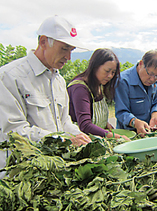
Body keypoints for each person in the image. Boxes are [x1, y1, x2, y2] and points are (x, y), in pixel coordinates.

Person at [0, 16, 92, 177]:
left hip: (50, 172)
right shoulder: (10, 77)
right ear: (43, 42)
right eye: (64, 49)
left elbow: (64, 122)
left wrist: (77, 135)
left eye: (71, 51)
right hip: (21, 175)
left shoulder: (59, 81)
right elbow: (14, 131)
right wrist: (64, 140)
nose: (68, 57)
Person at [67, 48, 129, 140]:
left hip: (95, 140)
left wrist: (105, 124)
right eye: (107, 71)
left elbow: (93, 116)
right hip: (81, 142)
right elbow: (85, 125)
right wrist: (114, 136)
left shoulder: (98, 85)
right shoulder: (80, 89)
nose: (110, 76)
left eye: (113, 72)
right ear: (95, 67)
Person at [114, 49, 157, 136]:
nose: (152, 79)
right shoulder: (123, 81)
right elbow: (121, 112)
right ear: (141, 64)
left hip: (149, 131)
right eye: (150, 74)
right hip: (128, 134)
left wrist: (156, 115)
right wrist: (135, 122)